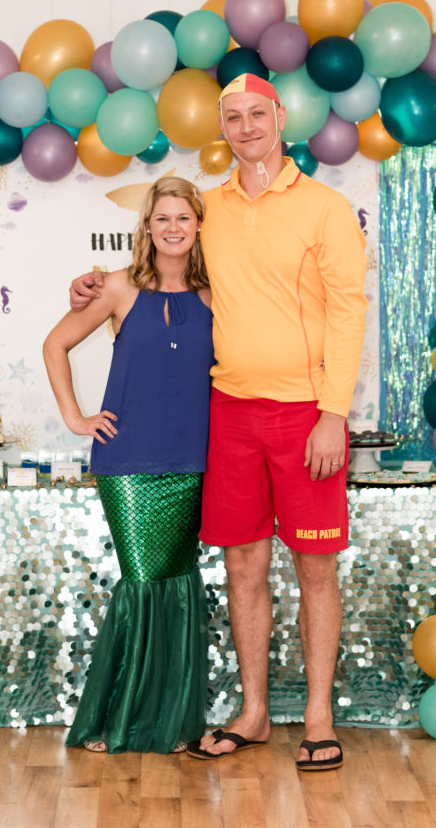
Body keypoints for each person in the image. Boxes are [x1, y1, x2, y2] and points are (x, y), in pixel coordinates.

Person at [70, 73, 367, 771]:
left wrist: (334, 413)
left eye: (256, 114)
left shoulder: (325, 208)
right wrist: (90, 284)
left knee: (316, 569)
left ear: (280, 117)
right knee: (242, 565)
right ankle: (256, 712)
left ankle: (319, 717)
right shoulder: (214, 211)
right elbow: (158, 267)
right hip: (228, 413)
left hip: (306, 414)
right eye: (232, 117)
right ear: (223, 128)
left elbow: (351, 312)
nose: (245, 127)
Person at [44, 175, 214, 754]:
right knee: (143, 582)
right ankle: (119, 718)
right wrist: (76, 416)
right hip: (127, 459)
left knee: (177, 583)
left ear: (198, 227)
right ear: (146, 227)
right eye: (161, 218)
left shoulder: (219, 294)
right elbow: (55, 345)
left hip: (195, 458)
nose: (172, 228)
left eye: (183, 219)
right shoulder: (118, 288)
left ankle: (170, 719)